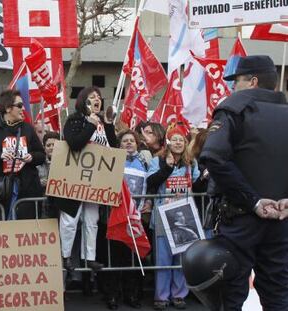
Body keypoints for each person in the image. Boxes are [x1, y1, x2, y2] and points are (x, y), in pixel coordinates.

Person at [199, 55, 288, 310]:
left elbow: (212, 156)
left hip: (240, 220)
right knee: (278, 294)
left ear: (253, 81)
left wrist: (253, 200)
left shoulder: (233, 108)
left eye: (236, 80)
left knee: (230, 294)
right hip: (280, 221)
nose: (233, 86)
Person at [56, 86, 117, 272]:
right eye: (92, 97)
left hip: (94, 179)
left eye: (99, 97)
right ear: (84, 101)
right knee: (69, 221)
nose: (97, 99)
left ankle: (89, 257)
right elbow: (74, 143)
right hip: (74, 178)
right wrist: (90, 124)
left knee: (92, 219)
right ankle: (65, 256)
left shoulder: (101, 122)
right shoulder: (75, 119)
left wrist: (107, 125)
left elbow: (112, 148)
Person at [148, 124, 200, 310]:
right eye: (174, 139)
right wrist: (167, 168)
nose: (178, 143)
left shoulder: (190, 163)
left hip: (184, 215)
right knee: (163, 258)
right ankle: (161, 296)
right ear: (168, 143)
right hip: (163, 214)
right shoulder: (158, 161)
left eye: (181, 140)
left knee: (181, 258)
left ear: (185, 143)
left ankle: (179, 294)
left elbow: (198, 183)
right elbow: (150, 182)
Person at [0, 89, 45, 220]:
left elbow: (41, 155)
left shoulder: (27, 128)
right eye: (19, 105)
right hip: (0, 189)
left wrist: (32, 157)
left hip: (27, 189)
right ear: (7, 108)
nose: (23, 109)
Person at [104, 130, 148, 310]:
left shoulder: (145, 163)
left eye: (132, 141)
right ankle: (113, 295)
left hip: (136, 217)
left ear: (137, 144)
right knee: (115, 259)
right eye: (125, 141)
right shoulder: (114, 161)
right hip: (118, 216)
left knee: (133, 259)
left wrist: (146, 205)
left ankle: (131, 295)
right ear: (119, 145)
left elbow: (147, 186)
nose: (129, 143)